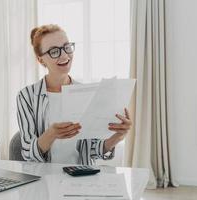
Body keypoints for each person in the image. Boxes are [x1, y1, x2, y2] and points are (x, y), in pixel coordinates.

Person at [16, 24, 132, 165]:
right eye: (54, 51)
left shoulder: (86, 93)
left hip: (82, 178)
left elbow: (92, 149)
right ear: (41, 60)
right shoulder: (27, 96)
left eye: (67, 47)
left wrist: (118, 137)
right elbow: (29, 153)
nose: (64, 55)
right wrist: (51, 134)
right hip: (44, 180)